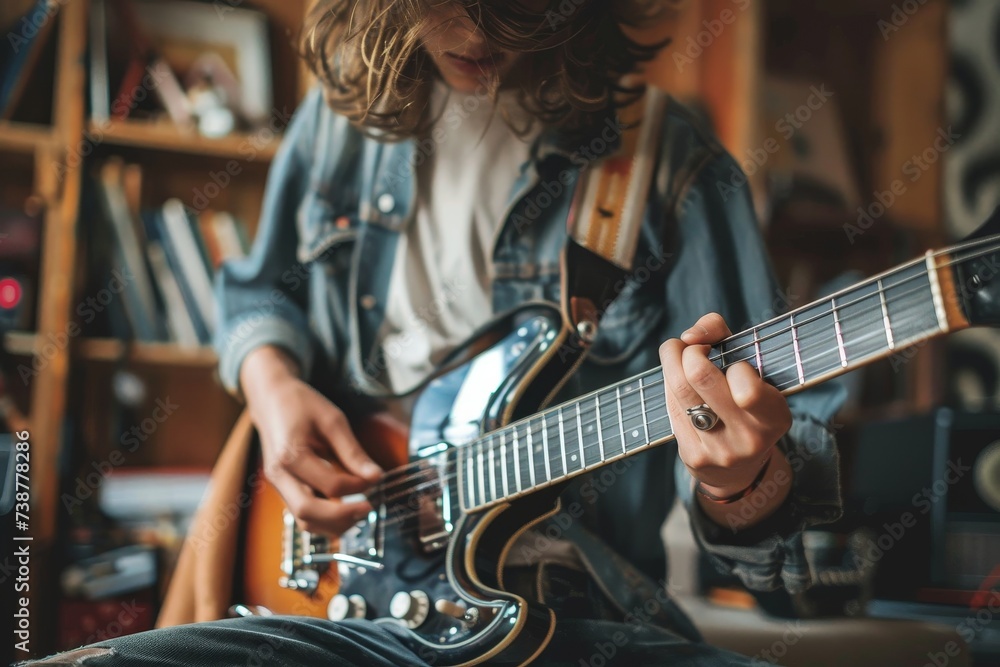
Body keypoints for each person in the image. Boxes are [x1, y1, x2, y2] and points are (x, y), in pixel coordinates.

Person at [20, 1, 845, 665]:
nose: (480, 32)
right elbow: (256, 294)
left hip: (572, 620)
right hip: (332, 610)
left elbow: (778, 539)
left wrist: (742, 485)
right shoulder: (337, 124)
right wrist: (274, 388)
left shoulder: (672, 162)